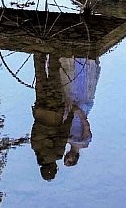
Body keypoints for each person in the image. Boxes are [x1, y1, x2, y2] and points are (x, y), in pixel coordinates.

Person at [30, 52, 71, 181]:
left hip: (54, 112)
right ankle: (38, 52)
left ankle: (54, 51)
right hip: (40, 110)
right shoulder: (35, 148)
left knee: (54, 76)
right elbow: (34, 129)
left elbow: (64, 133)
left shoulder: (57, 154)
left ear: (54, 168)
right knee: (40, 76)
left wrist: (71, 114)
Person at [59, 56, 100, 168]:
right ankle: (82, 62)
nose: (68, 157)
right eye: (69, 160)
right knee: (80, 90)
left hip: (69, 115)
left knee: (68, 92)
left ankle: (68, 62)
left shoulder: (67, 140)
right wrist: (79, 112)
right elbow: (86, 126)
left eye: (66, 159)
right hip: (79, 114)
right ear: (75, 159)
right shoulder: (84, 143)